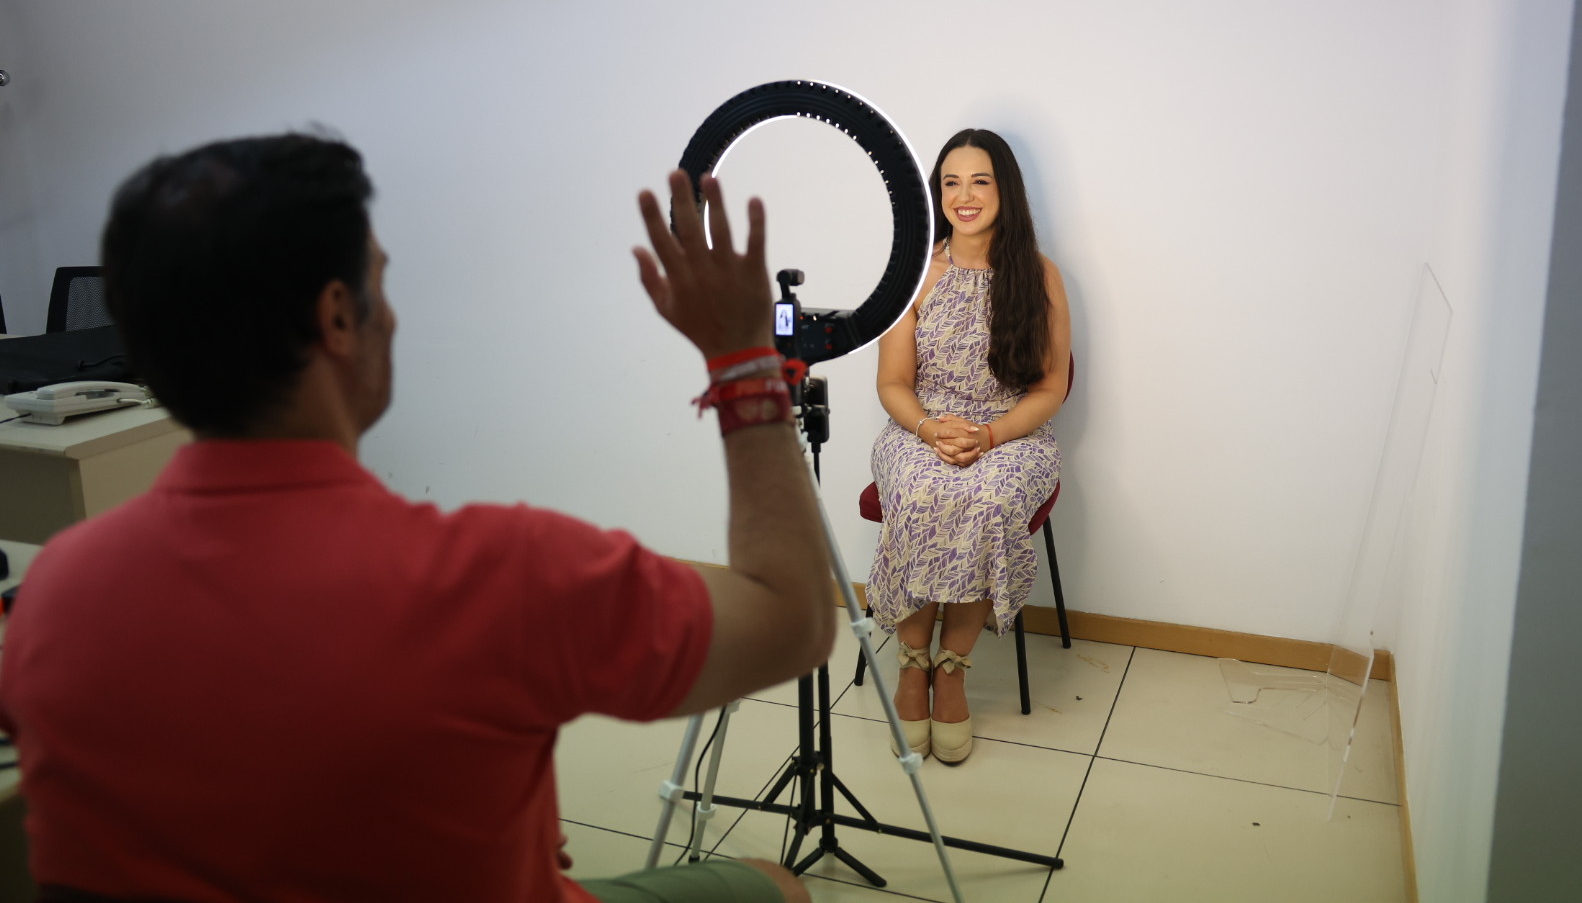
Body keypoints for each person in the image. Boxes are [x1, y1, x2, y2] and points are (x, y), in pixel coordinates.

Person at [0, 133, 835, 903]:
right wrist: (744, 359)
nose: (393, 316)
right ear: (337, 317)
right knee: (776, 885)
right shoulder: (503, 576)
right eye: (382, 280)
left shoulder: (53, 594)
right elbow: (793, 619)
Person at [865, 128, 1071, 765]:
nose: (965, 195)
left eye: (980, 181)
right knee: (921, 490)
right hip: (920, 427)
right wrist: (931, 430)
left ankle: (951, 669)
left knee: (987, 497)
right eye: (951, 182)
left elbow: (1050, 388)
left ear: (1005, 190)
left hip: (1011, 433)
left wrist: (988, 436)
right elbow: (892, 384)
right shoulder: (914, 273)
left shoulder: (1038, 275)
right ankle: (912, 663)